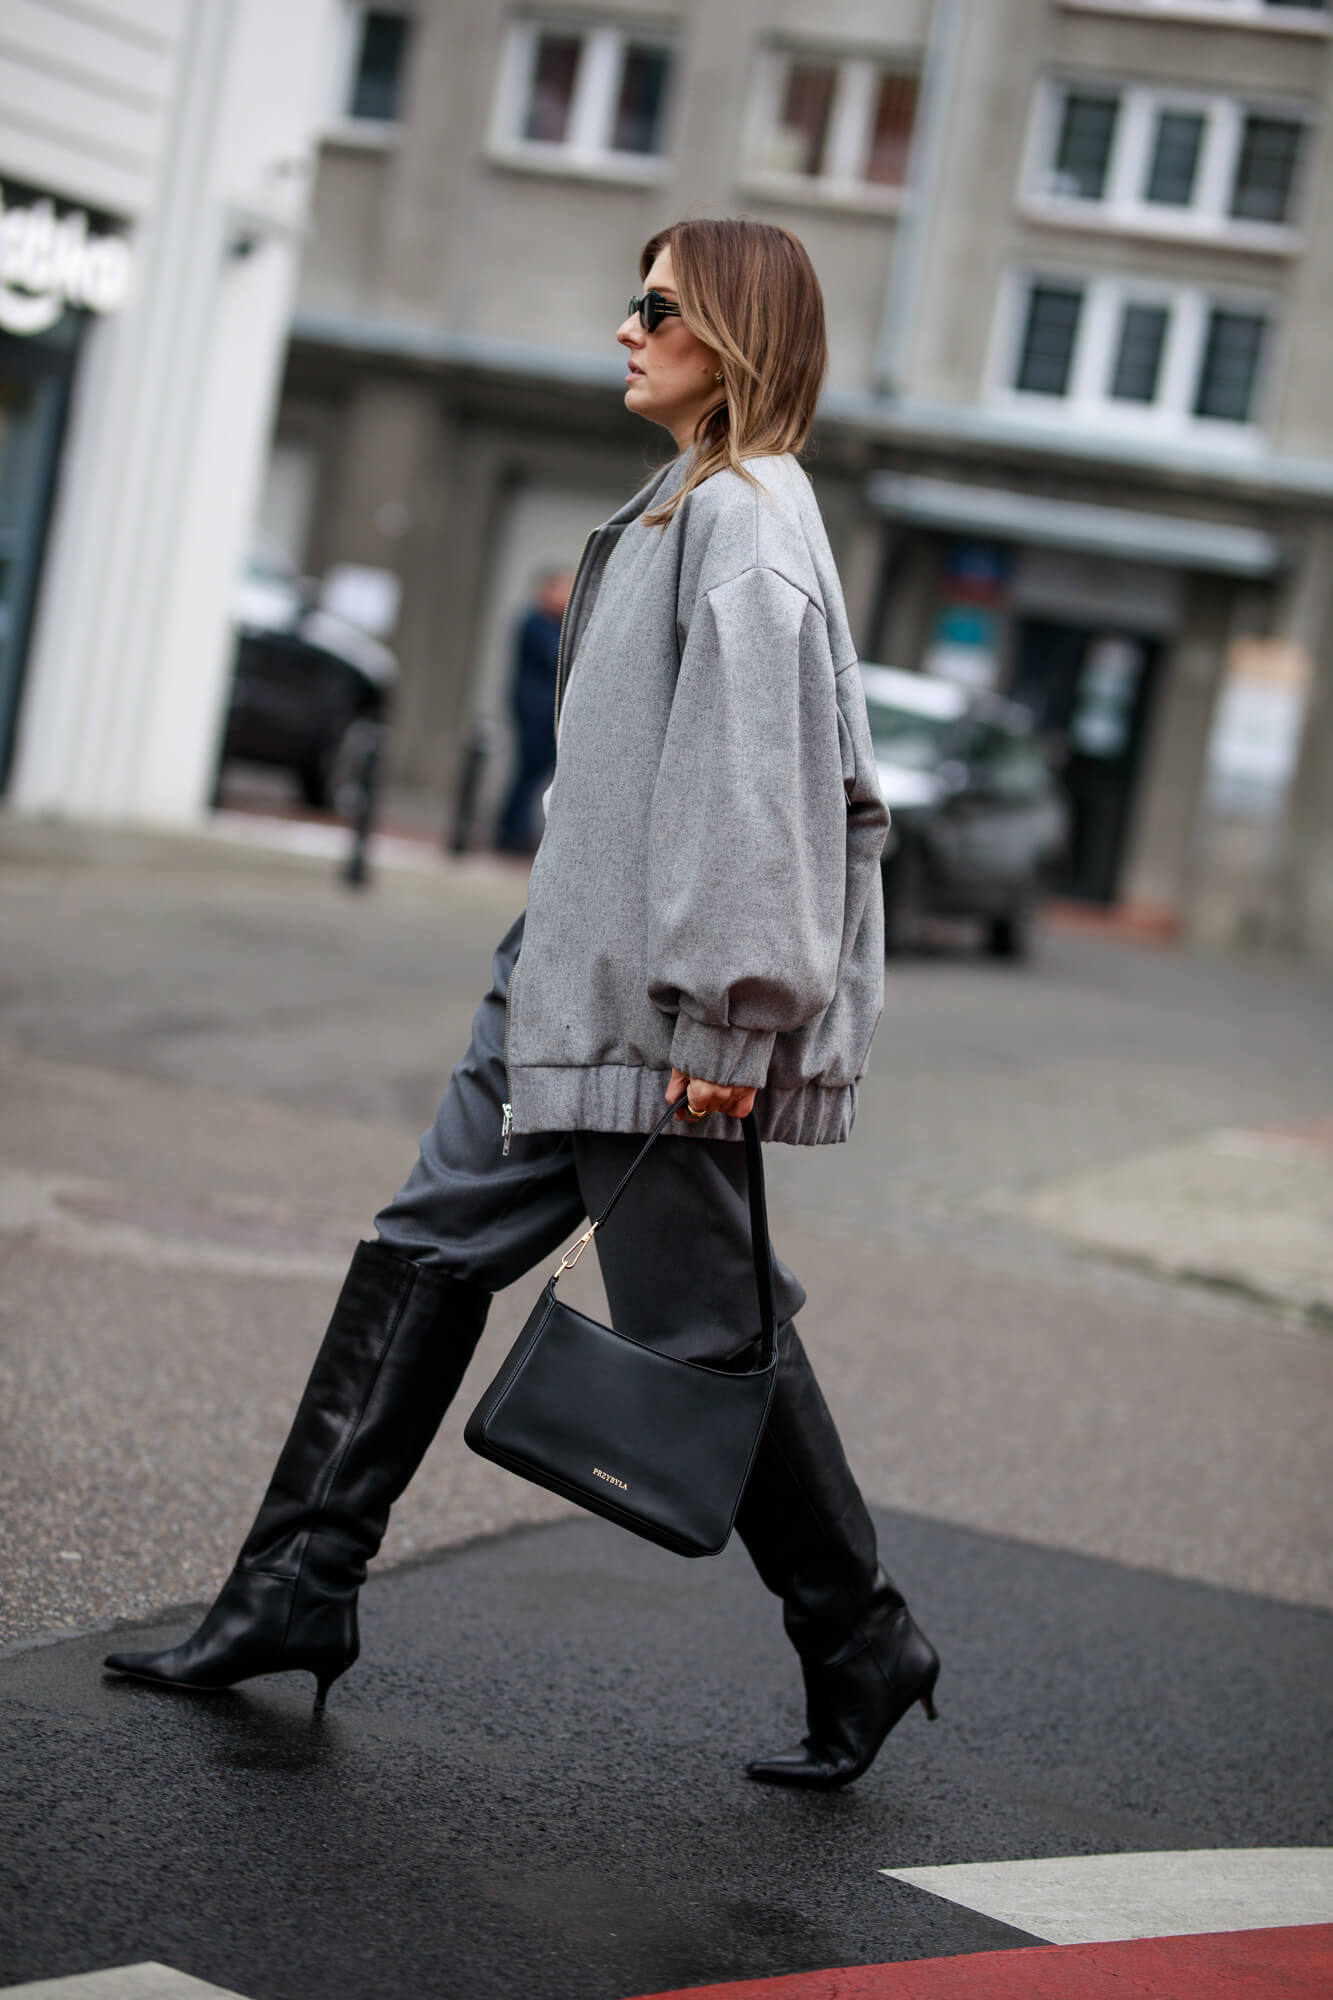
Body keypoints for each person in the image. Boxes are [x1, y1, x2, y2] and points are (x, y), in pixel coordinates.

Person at [104, 218, 940, 1791]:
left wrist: (730, 1024)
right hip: (563, 981)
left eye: (657, 306)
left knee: (707, 1323)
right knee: (425, 1245)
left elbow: (762, 800)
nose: (627, 327)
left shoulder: (748, 523)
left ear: (733, 337)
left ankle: (859, 1636)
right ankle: (293, 1588)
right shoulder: (684, 499)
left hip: (657, 1018)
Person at [494, 569, 573, 854]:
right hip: (534, 713)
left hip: (545, 712)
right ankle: (511, 833)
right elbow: (556, 656)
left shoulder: (554, 624)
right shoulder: (534, 623)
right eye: (562, 589)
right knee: (526, 775)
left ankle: (517, 830)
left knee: (534, 776)